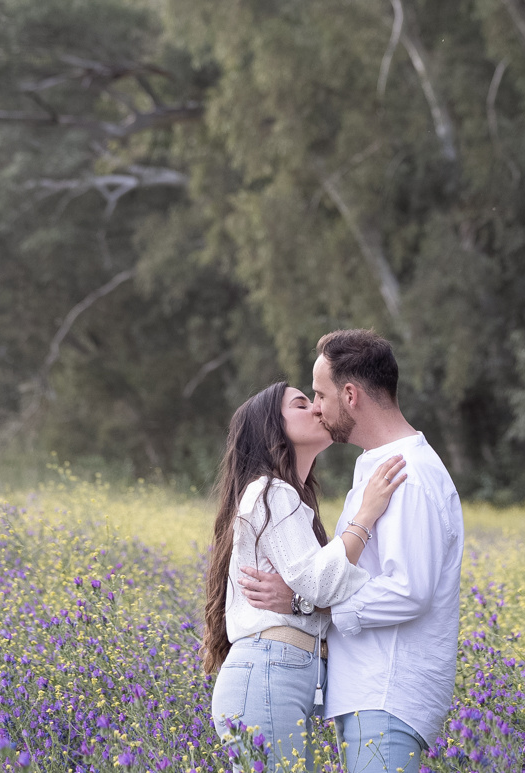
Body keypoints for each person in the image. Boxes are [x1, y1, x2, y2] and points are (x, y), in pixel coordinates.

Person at [239, 329, 465, 773]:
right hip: (368, 693)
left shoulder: (408, 475)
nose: (317, 407)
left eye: (320, 394)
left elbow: (409, 590)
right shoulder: (378, 468)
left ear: (350, 394)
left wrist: (312, 605)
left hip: (388, 693)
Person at [203, 379, 409, 770]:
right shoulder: (271, 492)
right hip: (267, 674)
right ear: (272, 429)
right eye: (301, 404)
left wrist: (303, 599)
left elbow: (314, 592)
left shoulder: (287, 498)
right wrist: (367, 515)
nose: (317, 408)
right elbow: (322, 584)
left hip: (274, 675)